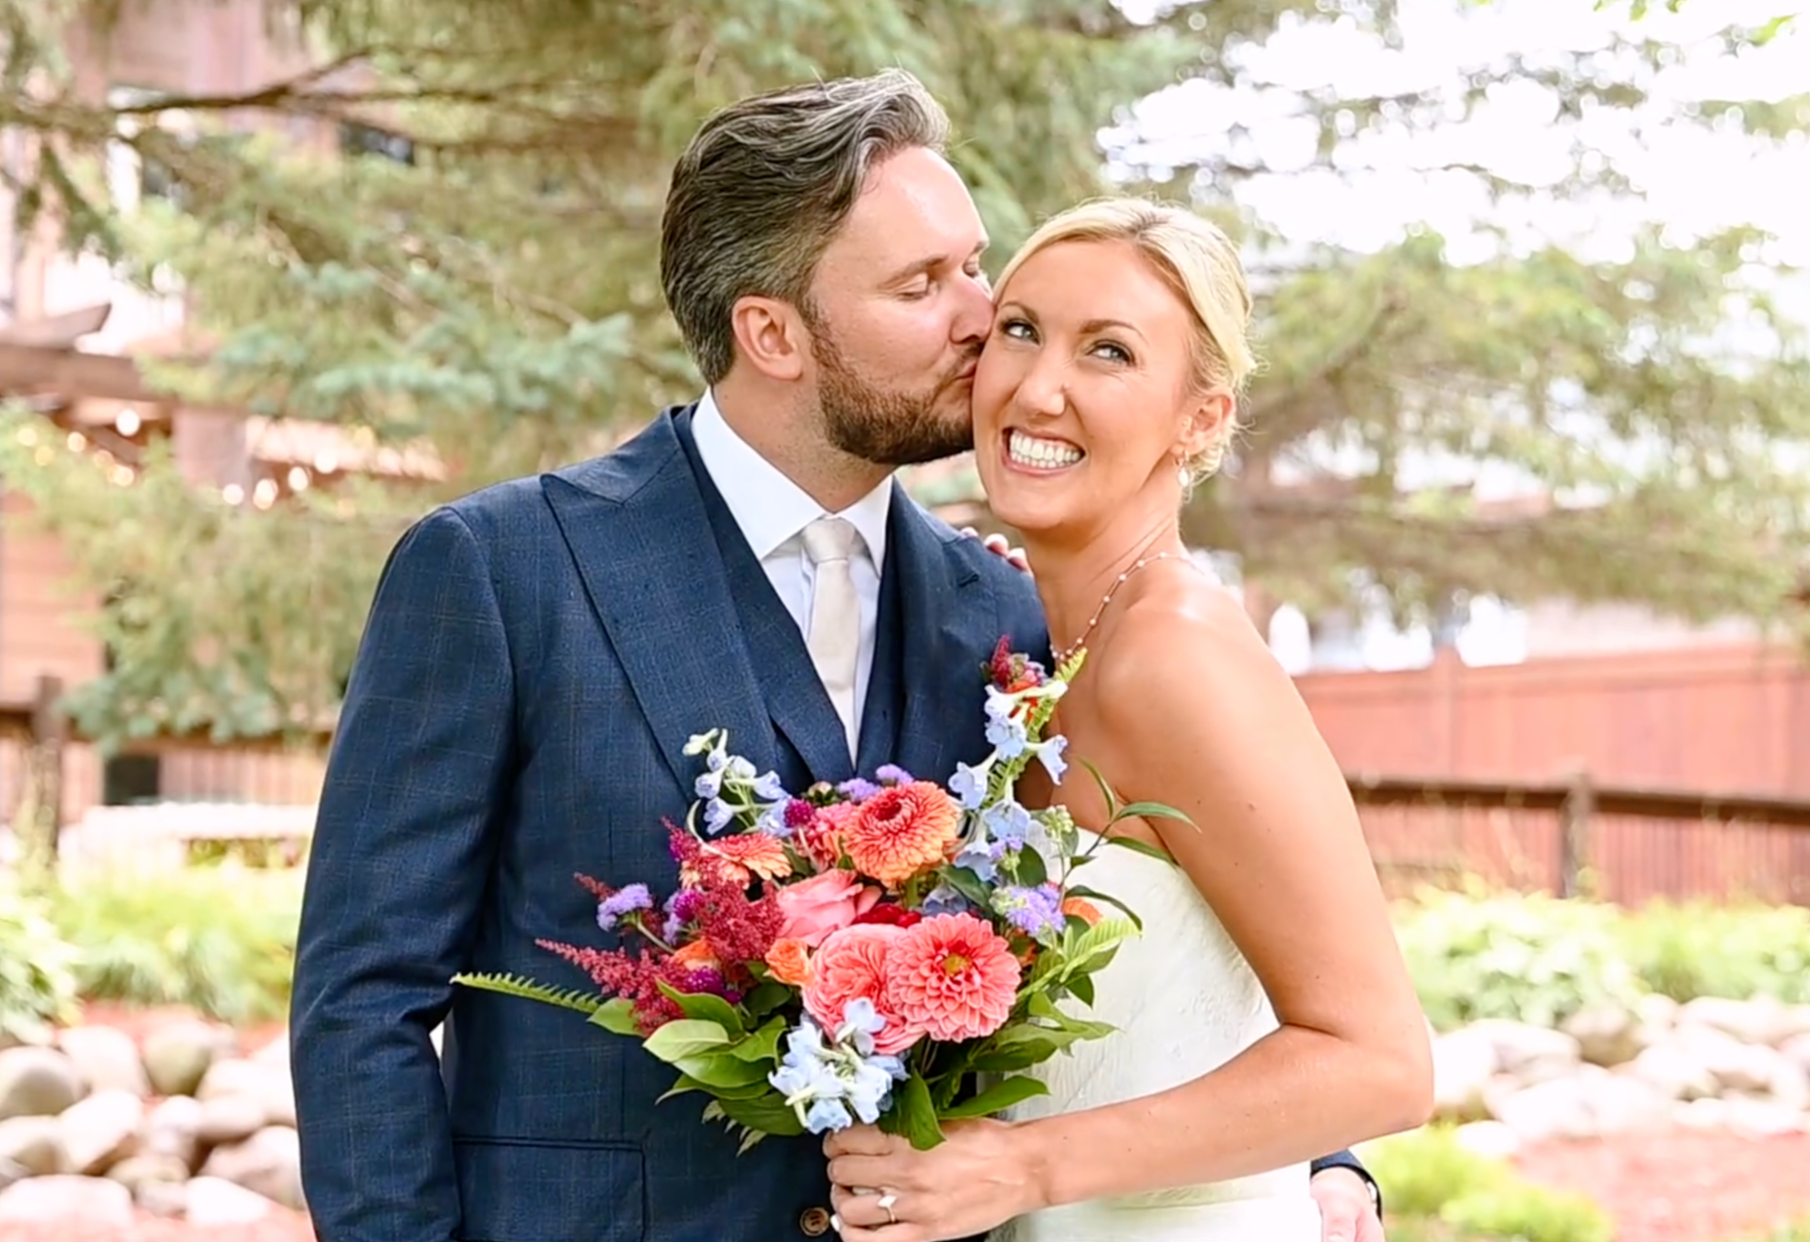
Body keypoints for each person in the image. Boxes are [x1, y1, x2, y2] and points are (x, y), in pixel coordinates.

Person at [288, 69, 1393, 1242]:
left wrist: (1318, 1158)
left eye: (974, 266)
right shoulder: (502, 572)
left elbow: (1192, 883)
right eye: (924, 284)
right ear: (771, 333)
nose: (983, 319)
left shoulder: (1006, 616)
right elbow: (362, 1001)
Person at [819, 199, 1435, 1241]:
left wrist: (1021, 1164)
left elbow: (1382, 1062)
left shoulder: (1177, 657)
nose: (1038, 386)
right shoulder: (1040, 650)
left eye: (1108, 352)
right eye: (1019, 330)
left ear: (1199, 417)